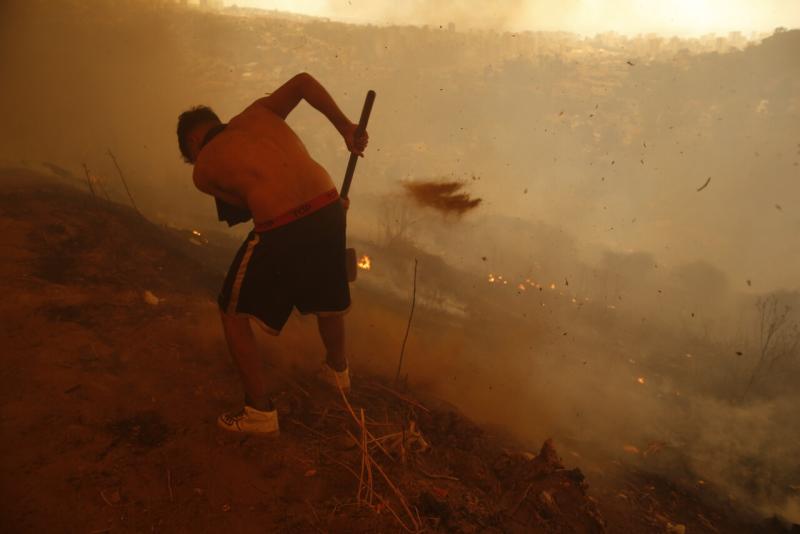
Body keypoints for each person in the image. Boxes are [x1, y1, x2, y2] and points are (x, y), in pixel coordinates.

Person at [176, 72, 368, 436]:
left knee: (231, 311)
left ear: (193, 141)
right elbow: (303, 81)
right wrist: (346, 127)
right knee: (326, 293)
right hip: (329, 204)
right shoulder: (259, 112)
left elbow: (249, 209)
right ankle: (338, 373)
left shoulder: (202, 171)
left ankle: (258, 412)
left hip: (285, 223)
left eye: (190, 155)